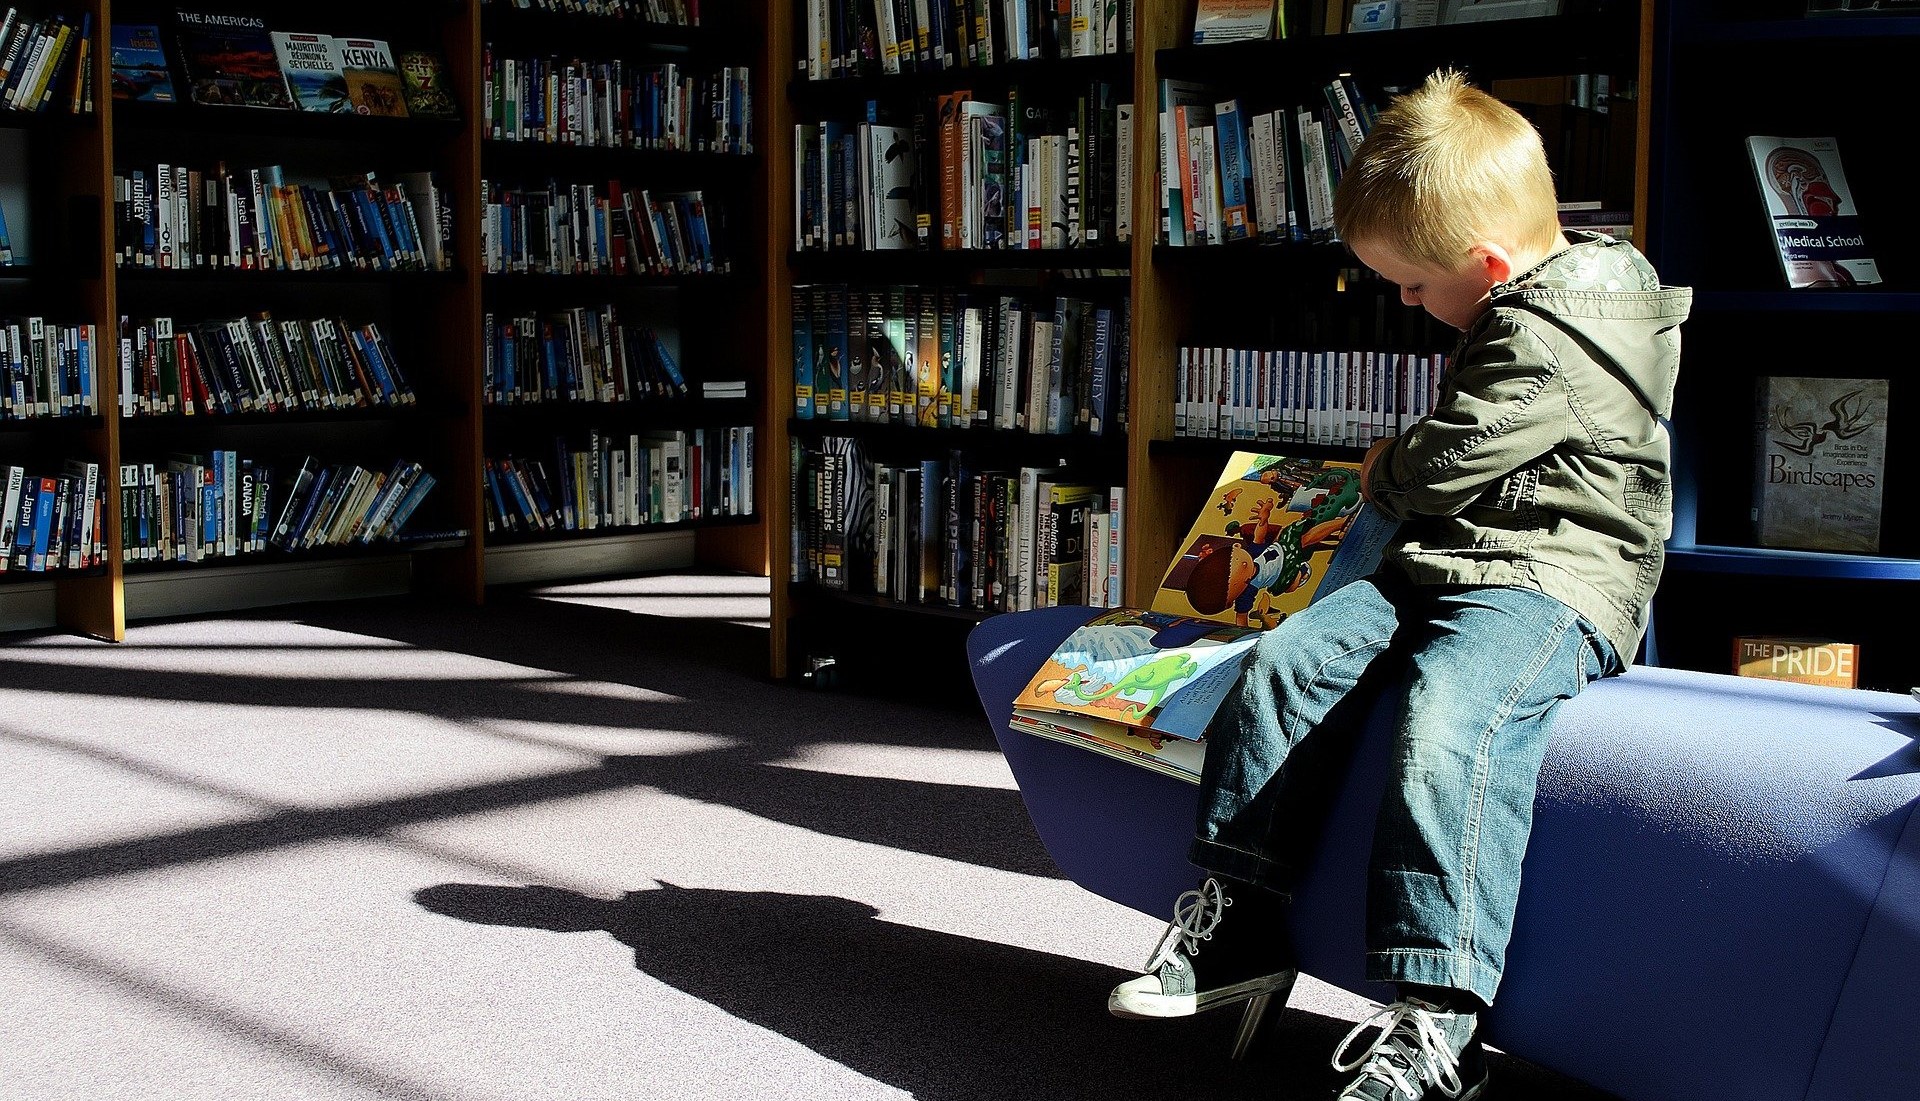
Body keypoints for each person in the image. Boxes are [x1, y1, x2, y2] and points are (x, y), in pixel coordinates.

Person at [1106, 68, 1692, 1101]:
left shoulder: (1556, 336)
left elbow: (1445, 461)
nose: (1411, 306)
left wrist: (1381, 467)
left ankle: (1441, 1015)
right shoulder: (1520, 302)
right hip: (1446, 560)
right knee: (1285, 665)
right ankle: (1241, 921)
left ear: (1489, 264)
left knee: (1449, 716)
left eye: (1415, 287)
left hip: (1553, 579)